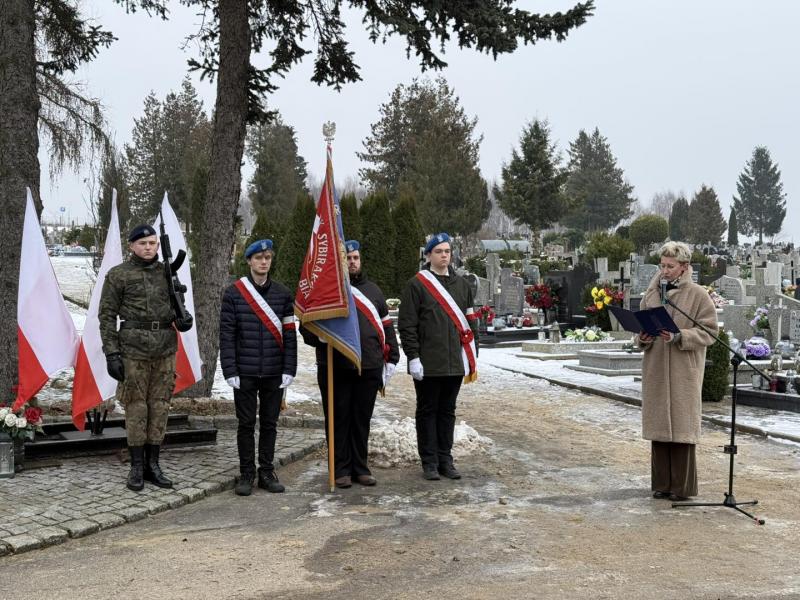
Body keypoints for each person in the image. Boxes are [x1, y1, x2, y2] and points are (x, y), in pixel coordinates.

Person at [301, 240, 400, 488]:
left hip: (369, 366)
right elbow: (308, 328)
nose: (353, 262)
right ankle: (340, 468)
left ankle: (360, 467)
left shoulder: (374, 291)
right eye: (348, 258)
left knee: (361, 418)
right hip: (336, 367)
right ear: (340, 261)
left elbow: (387, 327)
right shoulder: (327, 292)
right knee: (338, 418)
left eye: (355, 257)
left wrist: (393, 358)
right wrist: (322, 336)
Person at [99, 224, 185, 492]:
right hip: (133, 351)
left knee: (159, 406)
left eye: (153, 243)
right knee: (136, 407)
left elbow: (178, 306)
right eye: (143, 243)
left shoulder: (167, 272)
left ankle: (154, 464)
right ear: (132, 246)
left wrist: (183, 319)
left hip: (164, 350)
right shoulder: (119, 275)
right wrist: (111, 353)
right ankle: (137, 466)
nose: (148, 248)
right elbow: (106, 316)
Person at [637, 241, 717, 502]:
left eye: (670, 266)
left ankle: (682, 488)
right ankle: (661, 484)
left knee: (682, 428)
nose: (665, 271)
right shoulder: (651, 295)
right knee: (659, 427)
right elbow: (640, 329)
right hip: (656, 368)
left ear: (684, 267)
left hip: (683, 370)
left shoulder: (697, 295)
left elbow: (710, 332)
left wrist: (681, 336)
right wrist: (643, 337)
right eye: (662, 266)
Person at [398, 233, 479, 481]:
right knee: (427, 411)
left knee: (448, 411)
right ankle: (429, 462)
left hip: (454, 361)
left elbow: (471, 322)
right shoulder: (417, 285)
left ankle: (446, 459)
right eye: (439, 251)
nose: (444, 255)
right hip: (428, 363)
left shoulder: (462, 286)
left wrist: (473, 354)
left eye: (447, 251)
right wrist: (413, 357)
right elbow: (408, 325)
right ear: (429, 255)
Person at [219, 239, 297, 496]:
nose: (264, 262)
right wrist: (230, 370)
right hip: (245, 371)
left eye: (268, 258)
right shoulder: (233, 293)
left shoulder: (283, 294)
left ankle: (266, 472)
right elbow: (227, 335)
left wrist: (289, 368)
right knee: (245, 424)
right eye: (259, 258)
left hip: (274, 371)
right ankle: (246, 473)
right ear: (249, 261)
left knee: (270, 424)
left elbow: (289, 335)